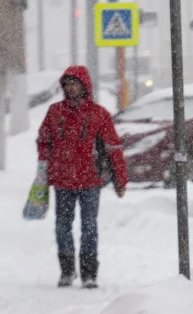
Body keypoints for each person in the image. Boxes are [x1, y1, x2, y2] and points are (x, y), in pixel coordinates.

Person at [36, 65, 127, 289]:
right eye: (67, 84)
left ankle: (89, 273)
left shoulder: (98, 114)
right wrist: (43, 167)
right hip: (62, 179)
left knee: (89, 227)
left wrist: (120, 179)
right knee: (62, 225)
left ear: (85, 86)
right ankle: (67, 270)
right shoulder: (55, 112)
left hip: (90, 180)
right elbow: (43, 140)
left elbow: (113, 148)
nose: (70, 87)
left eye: (75, 83)